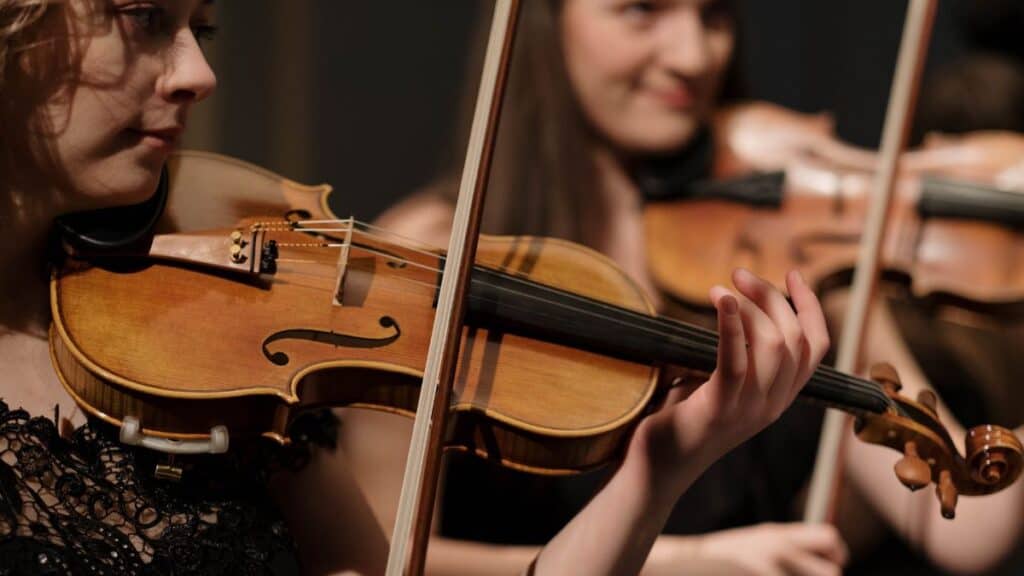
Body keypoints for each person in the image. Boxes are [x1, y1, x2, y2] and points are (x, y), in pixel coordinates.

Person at [0, 1, 831, 575]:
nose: (198, 73)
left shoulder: (217, 342)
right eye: (145, 18)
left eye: (203, 27)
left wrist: (658, 473)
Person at [355, 0, 1024, 574]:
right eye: (643, 8)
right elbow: (375, 556)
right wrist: (675, 560)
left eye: (713, 13)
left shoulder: (781, 236)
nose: (695, 54)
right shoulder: (437, 249)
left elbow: (964, 528)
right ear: (542, 18)